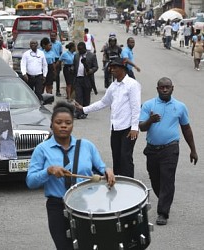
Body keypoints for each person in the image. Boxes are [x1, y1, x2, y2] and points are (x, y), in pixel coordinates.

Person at [26, 101, 115, 250]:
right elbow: (30, 181)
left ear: (73, 125)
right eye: (58, 122)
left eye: (68, 123)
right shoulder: (41, 149)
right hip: (57, 207)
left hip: (87, 205)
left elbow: (102, 168)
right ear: (52, 124)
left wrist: (108, 170)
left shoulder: (87, 146)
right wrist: (48, 171)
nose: (63, 126)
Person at [139, 77, 197, 226]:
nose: (165, 89)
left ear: (173, 88)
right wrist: (150, 120)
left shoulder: (180, 106)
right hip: (152, 149)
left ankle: (163, 213)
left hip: (170, 148)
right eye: (161, 87)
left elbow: (186, 128)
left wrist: (193, 150)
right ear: (157, 89)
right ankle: (164, 199)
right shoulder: (148, 105)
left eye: (167, 87)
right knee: (155, 179)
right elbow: (142, 127)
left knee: (167, 180)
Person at [75, 57, 141, 178]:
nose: (112, 70)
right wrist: (84, 109)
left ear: (123, 69)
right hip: (115, 127)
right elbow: (103, 102)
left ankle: (129, 185)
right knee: (116, 157)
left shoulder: (132, 85)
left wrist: (135, 127)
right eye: (111, 67)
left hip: (128, 128)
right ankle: (118, 183)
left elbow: (136, 107)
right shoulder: (113, 86)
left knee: (125, 157)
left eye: (115, 67)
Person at [73, 42, 98, 119]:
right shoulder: (76, 56)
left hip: (87, 79)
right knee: (78, 96)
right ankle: (78, 112)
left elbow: (96, 67)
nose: (79, 51)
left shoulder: (92, 55)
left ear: (85, 48)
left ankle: (85, 112)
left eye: (81, 49)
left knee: (86, 96)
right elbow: (74, 65)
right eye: (78, 49)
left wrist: (91, 71)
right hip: (78, 79)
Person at [50, 32, 63, 96]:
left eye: (54, 36)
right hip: (50, 60)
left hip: (57, 60)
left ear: (56, 36)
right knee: (50, 76)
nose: (52, 37)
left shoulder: (59, 43)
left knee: (57, 76)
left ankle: (58, 91)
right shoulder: (48, 43)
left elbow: (61, 53)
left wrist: (59, 61)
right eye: (51, 36)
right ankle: (50, 91)